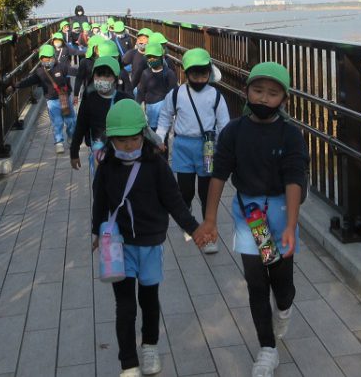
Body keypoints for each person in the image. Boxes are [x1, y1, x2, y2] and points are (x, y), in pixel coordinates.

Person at [193, 62, 308, 377]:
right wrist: (210, 220)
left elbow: (294, 180)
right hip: (249, 214)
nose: (264, 98)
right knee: (257, 283)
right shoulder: (234, 131)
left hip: (281, 211)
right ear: (246, 92)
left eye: (272, 93)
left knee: (282, 287)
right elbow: (219, 174)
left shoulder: (290, 135)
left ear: (284, 99)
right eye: (258, 91)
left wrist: (290, 226)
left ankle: (283, 308)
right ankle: (267, 349)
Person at [92, 100, 206, 376]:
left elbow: (174, 201)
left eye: (134, 139)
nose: (129, 145)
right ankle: (128, 362)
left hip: (151, 244)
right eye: (122, 140)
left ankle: (150, 347)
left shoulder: (156, 165)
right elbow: (100, 201)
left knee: (149, 300)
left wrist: (194, 229)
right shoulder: (106, 167)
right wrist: (96, 231)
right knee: (125, 306)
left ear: (143, 135)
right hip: (120, 246)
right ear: (111, 139)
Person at [155, 48, 230, 254]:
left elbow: (224, 124)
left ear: (209, 72)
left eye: (203, 73)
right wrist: (160, 137)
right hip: (183, 146)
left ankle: (209, 233)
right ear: (186, 73)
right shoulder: (176, 94)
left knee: (206, 193)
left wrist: (225, 149)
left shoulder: (215, 96)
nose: (199, 78)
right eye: (194, 74)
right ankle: (188, 220)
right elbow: (165, 117)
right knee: (185, 191)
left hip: (208, 147)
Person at [7, 43, 75, 153]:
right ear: (40, 59)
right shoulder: (40, 72)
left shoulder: (62, 67)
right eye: (44, 59)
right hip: (52, 100)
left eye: (49, 58)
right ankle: (58, 142)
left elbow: (74, 72)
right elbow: (28, 81)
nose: (46, 61)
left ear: (54, 57)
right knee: (57, 121)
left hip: (64, 98)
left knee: (70, 120)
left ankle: (71, 136)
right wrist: (15, 86)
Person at [69, 56, 133, 172]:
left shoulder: (124, 99)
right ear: (93, 76)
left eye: (107, 76)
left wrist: (154, 143)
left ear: (116, 78)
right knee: (100, 180)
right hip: (98, 151)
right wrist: (74, 152)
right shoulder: (89, 100)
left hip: (122, 150)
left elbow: (138, 126)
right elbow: (80, 126)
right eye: (99, 75)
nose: (102, 79)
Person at [135, 42, 178, 130]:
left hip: (164, 108)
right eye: (149, 57)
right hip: (150, 107)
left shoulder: (169, 74)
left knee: (163, 130)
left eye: (155, 57)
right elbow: (141, 91)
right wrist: (138, 106)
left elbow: (173, 93)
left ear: (161, 57)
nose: (152, 59)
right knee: (151, 130)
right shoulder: (145, 73)